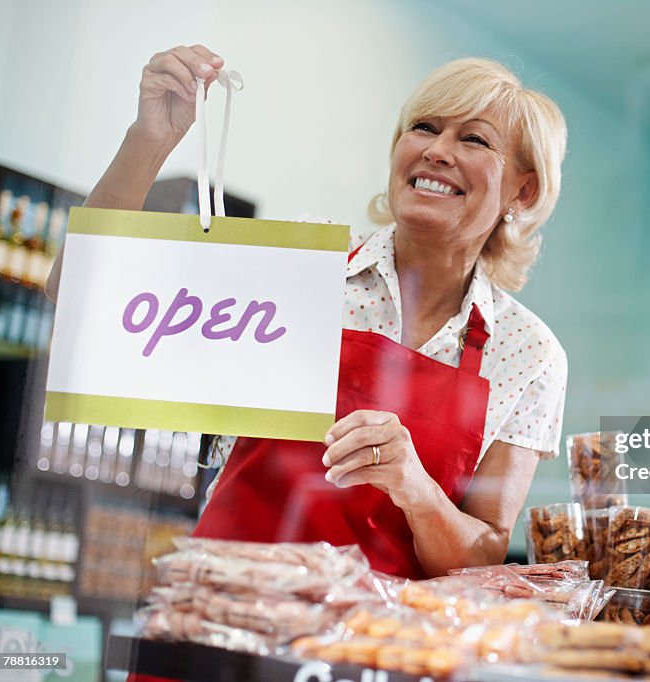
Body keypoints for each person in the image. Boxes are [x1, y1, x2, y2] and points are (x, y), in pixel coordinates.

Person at [46, 45, 568, 580]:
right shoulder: (304, 264)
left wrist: (415, 488)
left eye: (473, 138)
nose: (437, 150)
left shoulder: (529, 354)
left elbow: (482, 554)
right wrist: (148, 139)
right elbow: (77, 296)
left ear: (522, 191)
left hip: (368, 651)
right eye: (424, 127)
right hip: (218, 617)